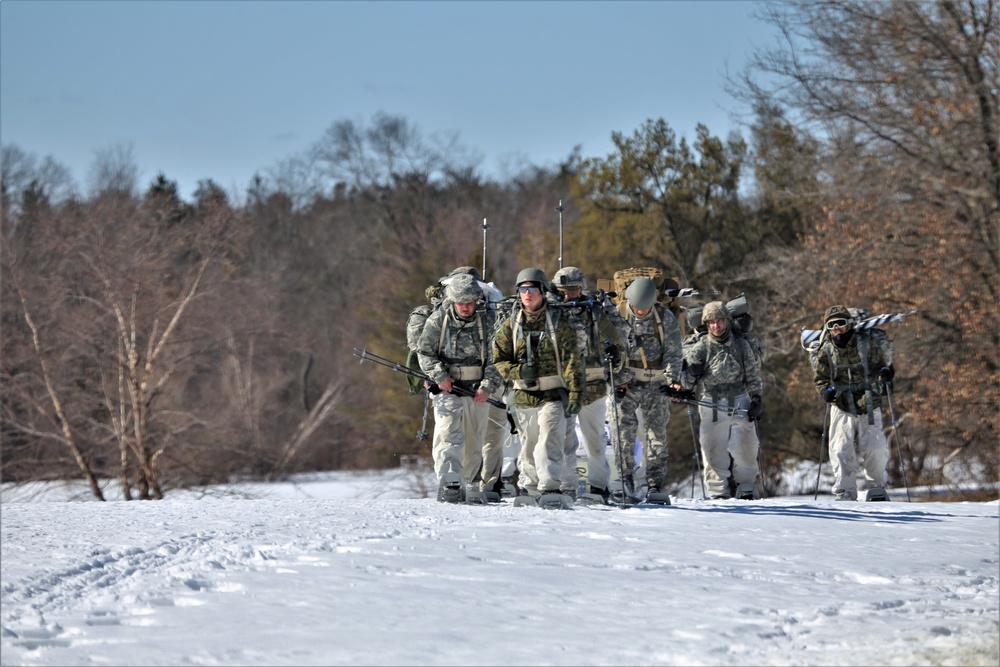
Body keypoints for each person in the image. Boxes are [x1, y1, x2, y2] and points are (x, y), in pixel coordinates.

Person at [492, 268, 583, 505]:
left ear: (542, 291)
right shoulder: (511, 325)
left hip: (553, 394)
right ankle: (531, 489)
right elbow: (499, 359)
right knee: (529, 445)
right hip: (523, 395)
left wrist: (575, 394)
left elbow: (573, 360)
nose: (527, 294)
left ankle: (550, 487)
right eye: (523, 289)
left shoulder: (559, 323)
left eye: (532, 289)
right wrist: (518, 372)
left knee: (549, 441)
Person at [416, 272, 504, 502]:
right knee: (447, 433)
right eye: (461, 302)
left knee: (475, 437)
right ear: (453, 300)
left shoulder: (488, 321)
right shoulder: (439, 320)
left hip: (478, 389)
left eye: (469, 302)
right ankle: (449, 481)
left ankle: (470, 481)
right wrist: (439, 376)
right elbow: (424, 352)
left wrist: (487, 386)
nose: (465, 307)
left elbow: (499, 358)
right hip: (447, 387)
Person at [551, 266, 630, 503]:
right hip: (562, 384)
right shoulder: (552, 311)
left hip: (593, 383)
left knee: (595, 439)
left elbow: (622, 334)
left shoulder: (595, 310)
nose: (568, 296)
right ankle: (566, 485)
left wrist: (614, 355)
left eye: (573, 290)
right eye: (563, 291)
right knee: (564, 438)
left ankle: (598, 485)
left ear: (581, 289)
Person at [609, 277, 684, 504]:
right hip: (627, 382)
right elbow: (609, 352)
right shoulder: (617, 316)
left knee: (656, 434)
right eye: (637, 307)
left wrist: (673, 380)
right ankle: (625, 479)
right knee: (622, 431)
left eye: (645, 308)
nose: (641, 312)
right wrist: (618, 380)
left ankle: (655, 484)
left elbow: (674, 351)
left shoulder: (664, 318)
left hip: (656, 382)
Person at [684, 300, 763, 500]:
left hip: (739, 399)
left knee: (747, 446)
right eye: (711, 322)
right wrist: (692, 373)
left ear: (727, 321)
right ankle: (718, 491)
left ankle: (745, 485)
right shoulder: (701, 346)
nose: (715, 326)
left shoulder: (741, 345)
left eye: (719, 321)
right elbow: (686, 381)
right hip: (711, 401)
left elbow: (753, 374)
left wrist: (756, 398)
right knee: (712, 449)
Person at [813, 305, 893, 502]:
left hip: (869, 400)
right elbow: (820, 377)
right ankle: (845, 490)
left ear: (849, 324)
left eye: (840, 323)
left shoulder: (866, 344)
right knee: (840, 449)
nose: (837, 328)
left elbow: (882, 365)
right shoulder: (826, 350)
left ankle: (876, 487)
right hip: (841, 402)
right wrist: (825, 391)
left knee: (875, 447)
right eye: (831, 325)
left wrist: (886, 374)